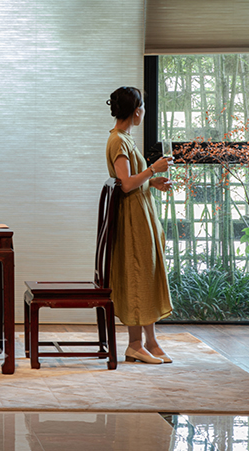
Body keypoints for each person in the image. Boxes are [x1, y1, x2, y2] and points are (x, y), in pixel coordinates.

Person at [106, 86, 174, 364]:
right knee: (138, 276)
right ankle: (135, 344)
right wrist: (153, 169)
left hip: (141, 214)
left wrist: (152, 182)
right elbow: (125, 184)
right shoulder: (118, 141)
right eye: (142, 107)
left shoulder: (124, 139)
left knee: (145, 275)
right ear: (136, 112)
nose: (143, 112)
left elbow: (134, 180)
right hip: (133, 219)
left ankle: (150, 341)